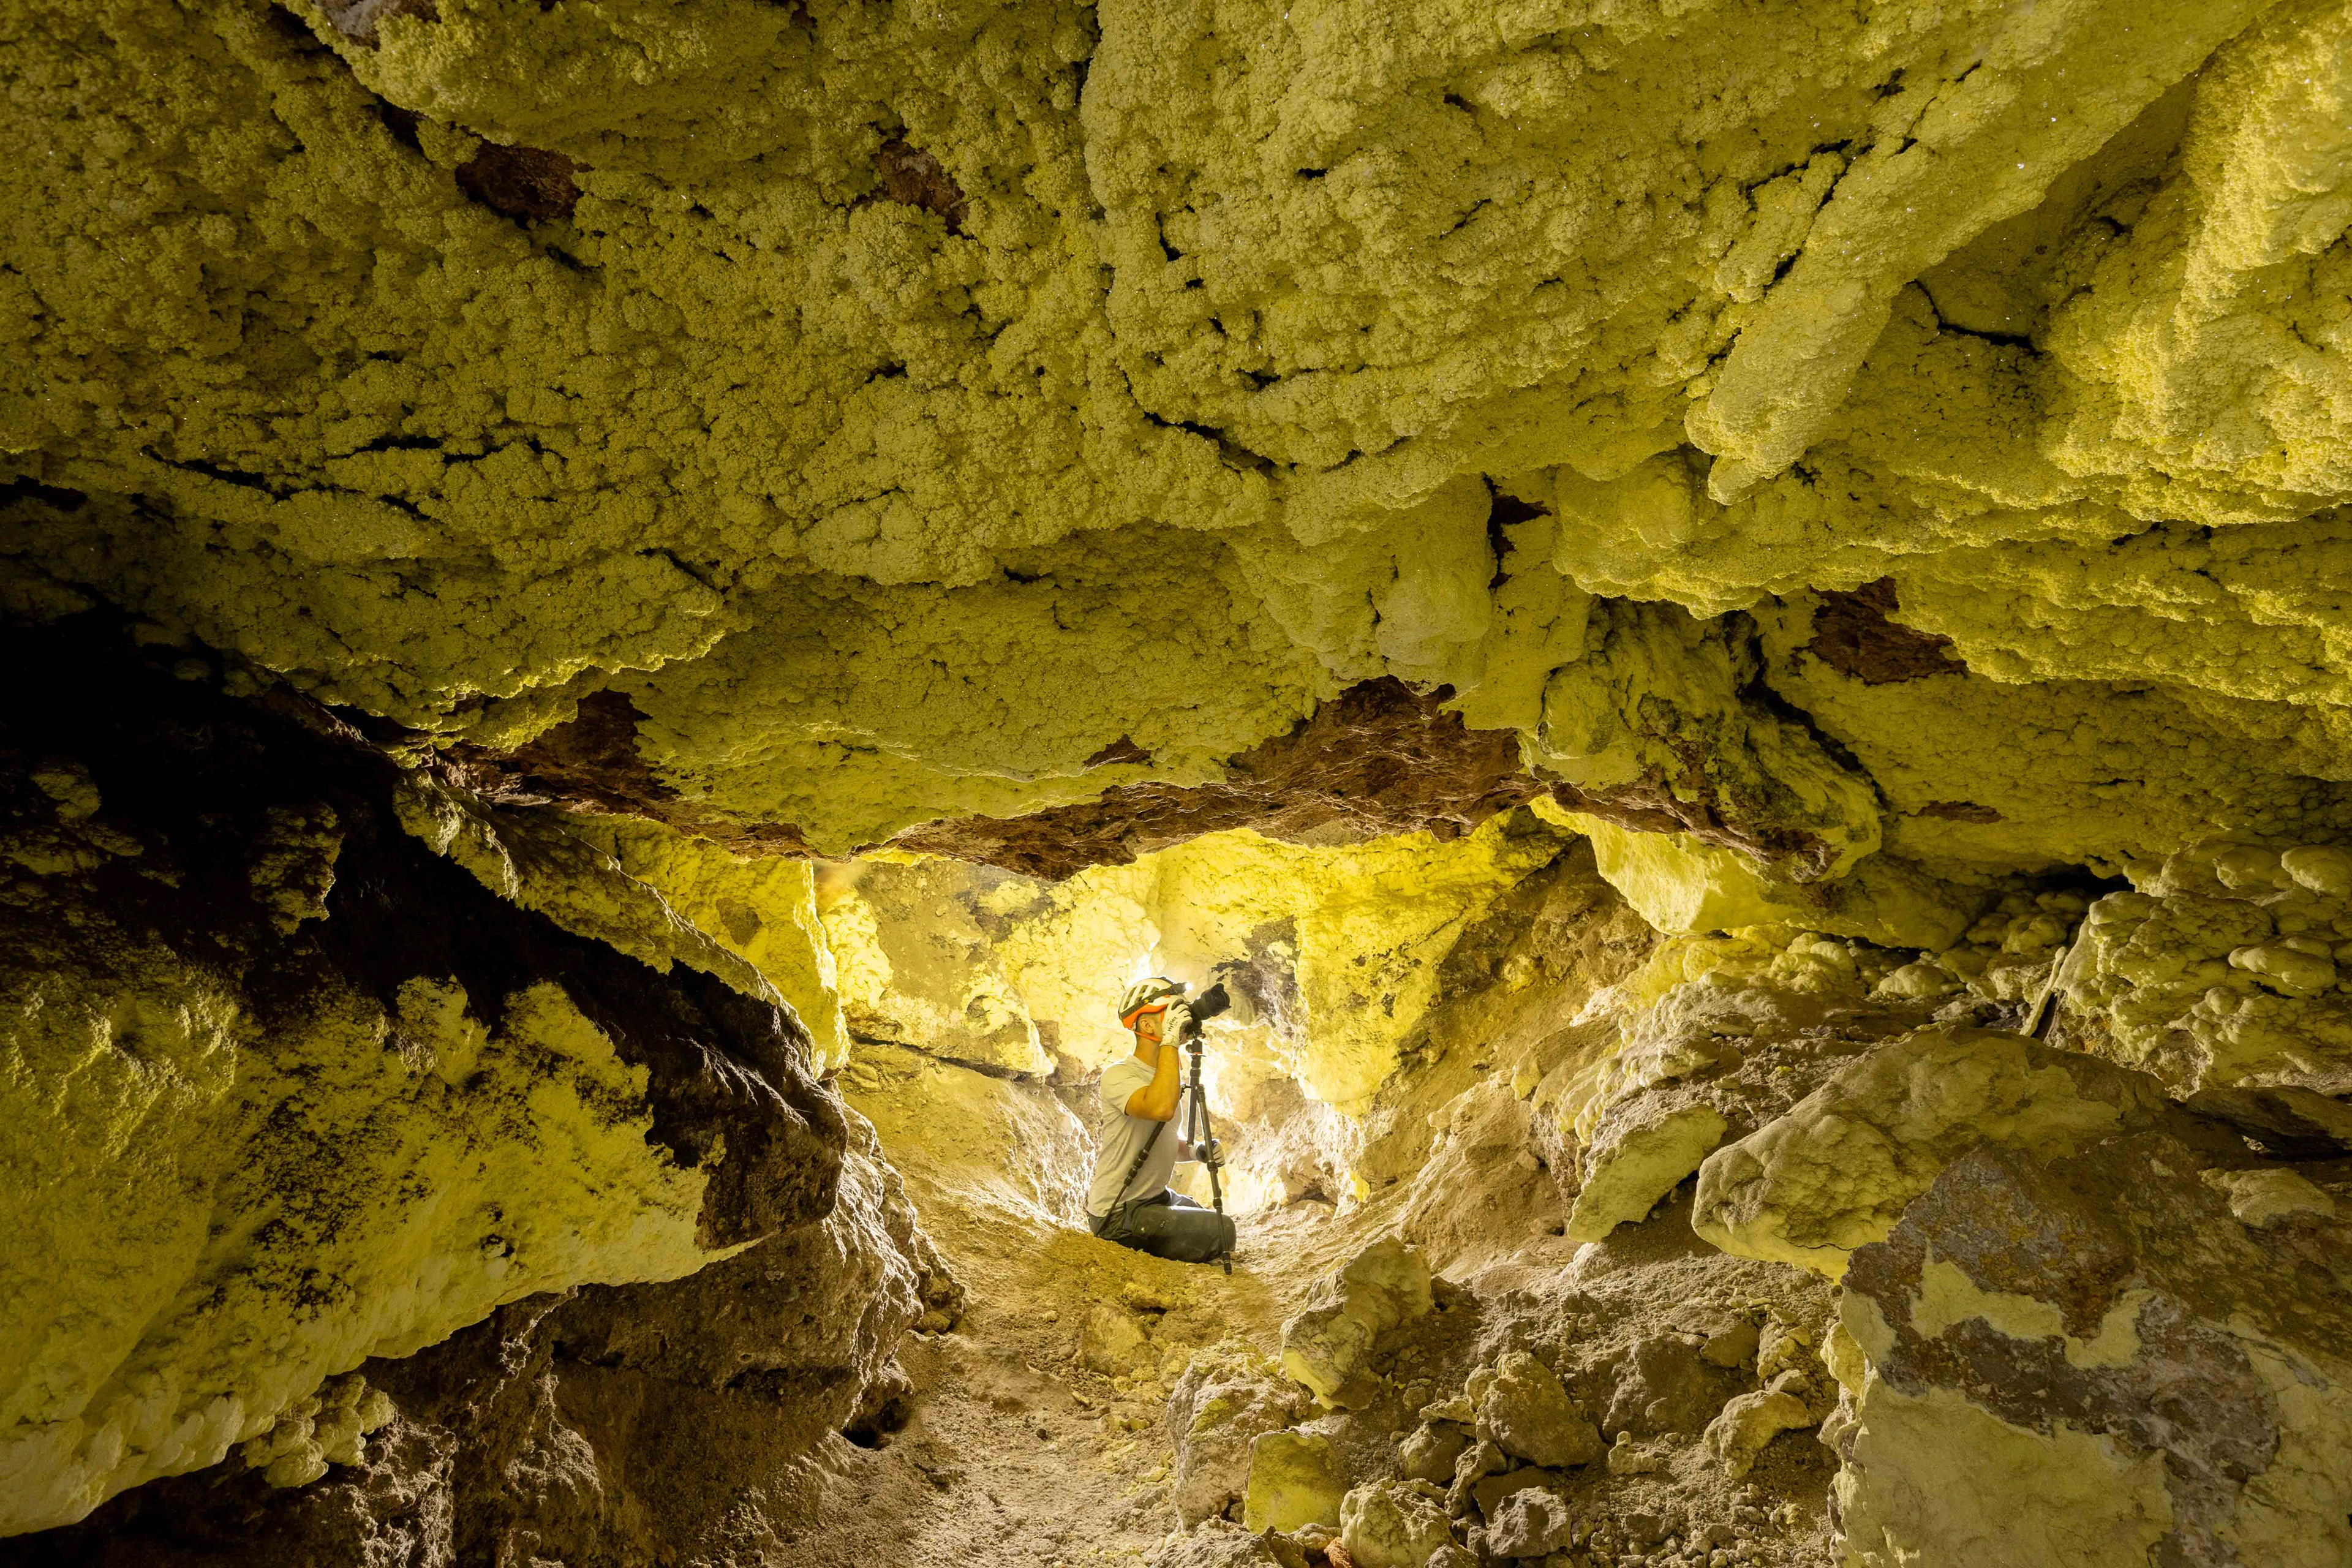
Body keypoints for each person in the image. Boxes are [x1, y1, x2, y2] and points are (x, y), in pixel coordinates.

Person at [1085, 977, 1237, 1264]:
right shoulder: (1118, 1075)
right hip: (1118, 1211)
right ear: (1146, 1026)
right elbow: (1160, 1109)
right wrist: (1170, 1043)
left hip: (1154, 1198)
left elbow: (1163, 1139)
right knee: (1222, 1230)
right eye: (1171, 1013)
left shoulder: (1167, 1077)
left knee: (1205, 1216)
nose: (1181, 1020)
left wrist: (1197, 1151)